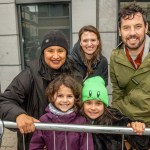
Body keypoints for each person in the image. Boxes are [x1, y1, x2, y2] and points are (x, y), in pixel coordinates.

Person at [0, 30, 82, 150]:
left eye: (60, 51)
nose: (55, 56)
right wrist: (19, 115)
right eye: (50, 51)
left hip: (65, 144)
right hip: (34, 143)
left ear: (66, 53)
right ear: (43, 52)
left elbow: (80, 105)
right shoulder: (30, 74)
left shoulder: (74, 75)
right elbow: (5, 100)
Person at [81, 76, 150, 150]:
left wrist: (137, 126)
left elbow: (143, 142)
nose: (93, 108)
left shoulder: (114, 117)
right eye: (88, 103)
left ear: (104, 105)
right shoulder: (77, 118)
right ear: (82, 104)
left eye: (98, 103)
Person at [110, 4, 150, 127]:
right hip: (128, 127)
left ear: (146, 27)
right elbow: (117, 97)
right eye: (126, 28)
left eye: (138, 27)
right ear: (119, 31)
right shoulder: (115, 57)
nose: (132, 33)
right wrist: (126, 123)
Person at [29, 74, 94, 150]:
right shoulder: (44, 120)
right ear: (52, 96)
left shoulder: (81, 121)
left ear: (75, 98)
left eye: (69, 96)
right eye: (60, 96)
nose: (65, 100)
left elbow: (87, 147)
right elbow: (35, 146)